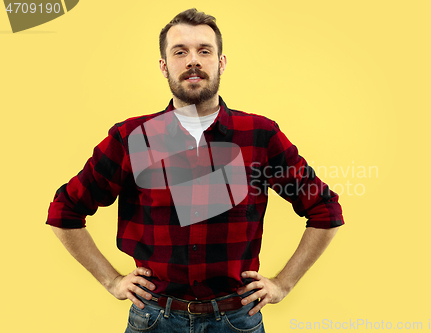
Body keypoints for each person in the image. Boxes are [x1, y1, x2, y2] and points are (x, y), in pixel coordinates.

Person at [47, 8, 344, 333]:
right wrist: (112, 280)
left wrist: (283, 284)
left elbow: (325, 210)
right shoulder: (132, 138)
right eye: (180, 52)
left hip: (236, 320)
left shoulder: (260, 135)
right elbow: (65, 211)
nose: (193, 60)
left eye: (204, 50)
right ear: (164, 66)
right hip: (154, 320)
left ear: (221, 62)